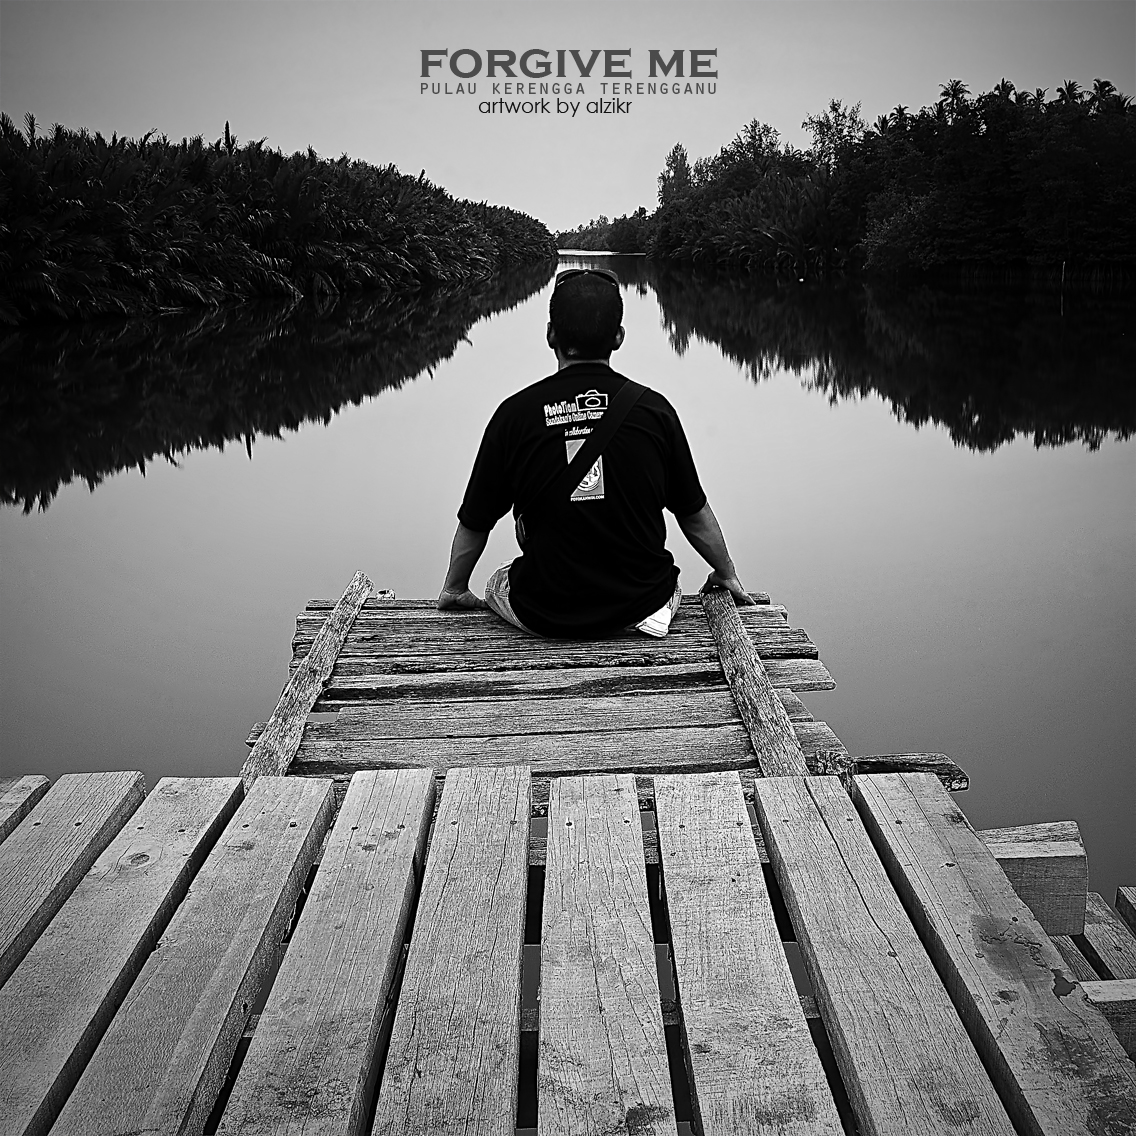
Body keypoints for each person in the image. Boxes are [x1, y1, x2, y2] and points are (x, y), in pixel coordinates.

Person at [436, 266, 753, 636]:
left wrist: (454, 588)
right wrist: (726, 572)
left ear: (551, 334)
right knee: (665, 581)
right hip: (642, 601)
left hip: (544, 610)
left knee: (498, 580)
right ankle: (648, 612)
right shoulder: (655, 412)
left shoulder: (514, 415)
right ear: (618, 337)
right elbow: (693, 512)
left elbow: (476, 520)